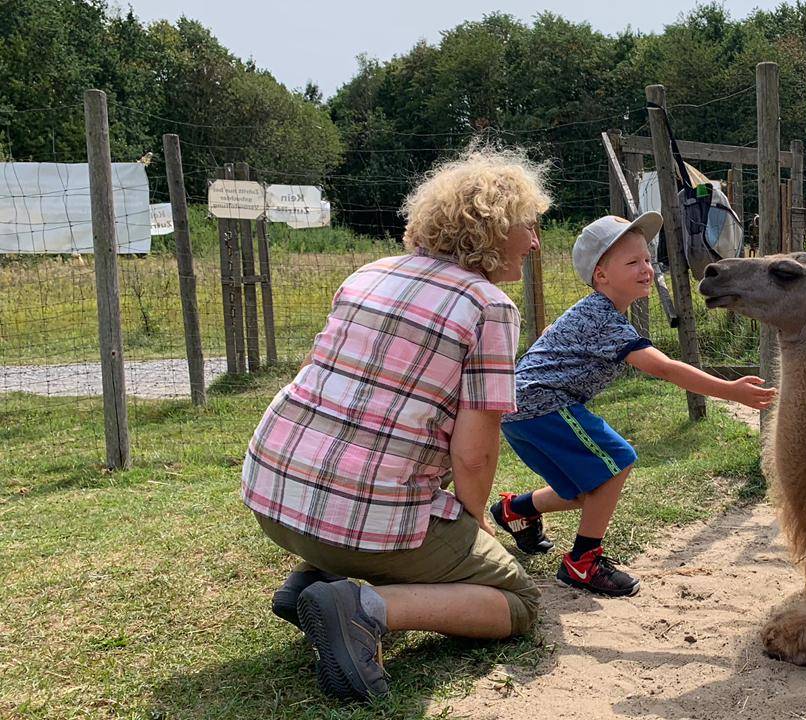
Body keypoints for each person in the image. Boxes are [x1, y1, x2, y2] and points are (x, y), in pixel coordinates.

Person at [240, 146, 550, 703]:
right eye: (527, 227)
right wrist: (472, 523)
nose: (534, 243)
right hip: (360, 517)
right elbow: (474, 450)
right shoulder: (489, 306)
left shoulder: (371, 271)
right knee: (518, 600)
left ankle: (311, 583)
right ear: (493, 230)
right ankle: (362, 608)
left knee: (374, 485)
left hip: (273, 494)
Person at [490, 212, 775, 597]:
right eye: (632, 263)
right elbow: (666, 368)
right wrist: (731, 390)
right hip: (542, 405)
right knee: (618, 460)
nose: (646, 269)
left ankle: (516, 510)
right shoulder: (603, 318)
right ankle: (583, 563)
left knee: (586, 491)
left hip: (520, 410)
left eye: (647, 260)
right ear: (601, 275)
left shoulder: (597, 313)